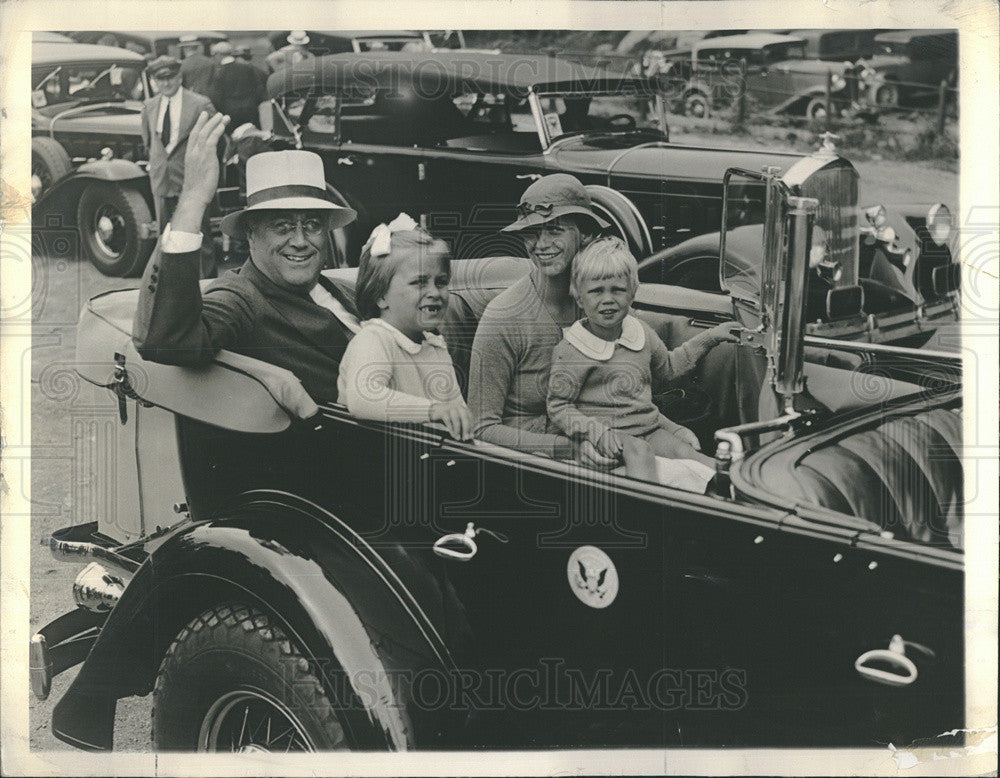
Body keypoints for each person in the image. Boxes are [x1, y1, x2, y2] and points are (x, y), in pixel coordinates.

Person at [133, 112, 361, 402]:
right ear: (251, 234)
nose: (301, 241)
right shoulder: (241, 298)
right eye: (283, 227)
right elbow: (165, 343)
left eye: (313, 225)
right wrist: (191, 199)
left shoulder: (342, 290)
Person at [547, 236, 738, 488]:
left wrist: (711, 337)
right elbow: (558, 406)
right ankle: (646, 511)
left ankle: (735, 494)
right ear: (580, 298)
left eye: (618, 289)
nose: (607, 299)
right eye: (596, 291)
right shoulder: (572, 348)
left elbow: (670, 367)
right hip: (608, 436)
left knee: (686, 451)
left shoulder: (640, 332)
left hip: (648, 427)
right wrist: (596, 433)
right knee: (639, 451)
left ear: (632, 293)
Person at [467, 174, 624, 468]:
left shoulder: (599, 303)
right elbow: (480, 427)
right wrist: (566, 449)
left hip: (606, 440)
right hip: (532, 463)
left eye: (554, 230)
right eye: (531, 233)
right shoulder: (505, 316)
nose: (541, 244)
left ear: (586, 234)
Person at [338, 214, 472, 441]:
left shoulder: (435, 346)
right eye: (419, 283)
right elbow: (363, 399)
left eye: (441, 282)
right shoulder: (374, 338)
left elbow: (456, 410)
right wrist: (433, 410)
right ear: (380, 295)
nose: (435, 292)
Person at [140, 56, 218, 278]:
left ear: (179, 76)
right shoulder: (149, 106)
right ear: (154, 81)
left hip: (192, 180)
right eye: (160, 79)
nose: (166, 84)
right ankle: (170, 285)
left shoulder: (200, 104)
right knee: (166, 237)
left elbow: (215, 142)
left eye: (170, 78)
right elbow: (149, 143)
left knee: (199, 236)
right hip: (162, 180)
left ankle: (208, 288)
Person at [209, 41, 271, 131]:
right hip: (250, 110)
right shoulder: (247, 68)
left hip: (229, 114)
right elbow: (258, 90)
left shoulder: (219, 73)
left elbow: (216, 97)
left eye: (214, 56)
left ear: (219, 55)